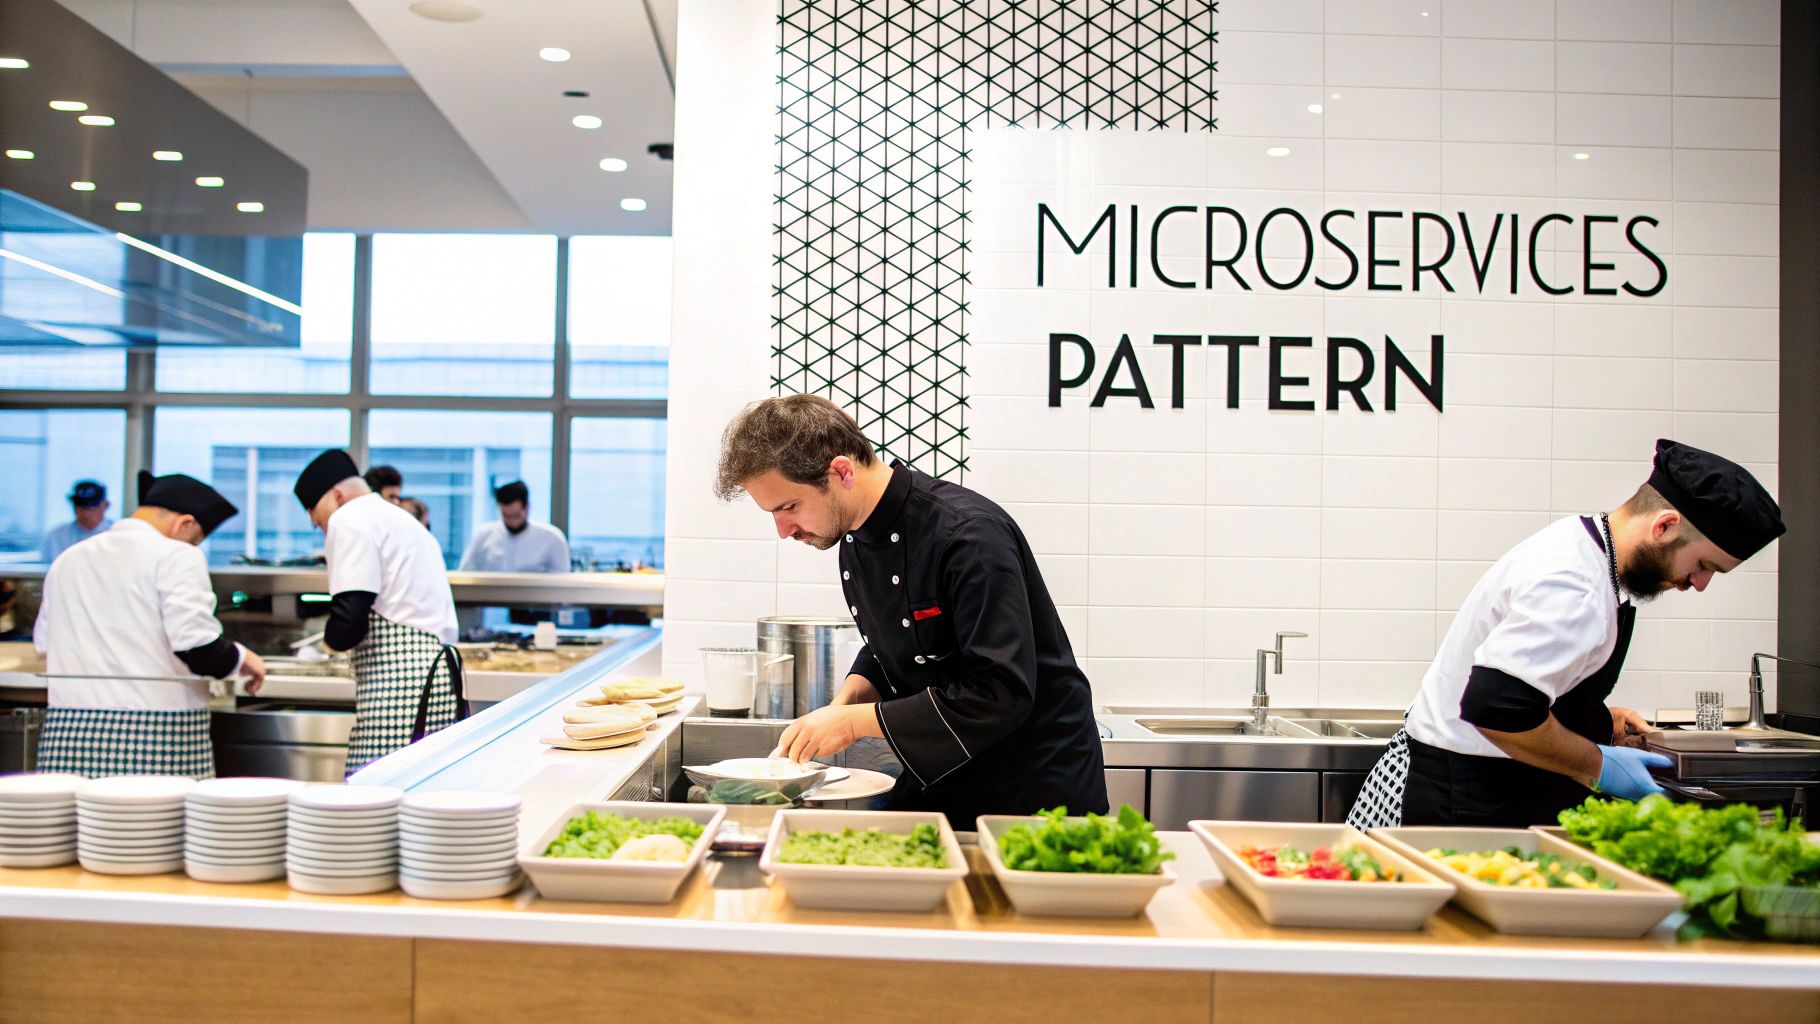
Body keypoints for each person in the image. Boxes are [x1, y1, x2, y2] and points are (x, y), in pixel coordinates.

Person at [1348, 439, 1784, 830]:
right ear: (1664, 525)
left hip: (1485, 786)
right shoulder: (1573, 584)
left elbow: (1526, 686)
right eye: (1704, 565)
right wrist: (1599, 765)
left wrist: (1594, 720)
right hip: (1477, 799)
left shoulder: (1587, 547)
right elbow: (1499, 709)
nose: (1701, 583)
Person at [715, 394, 1108, 823]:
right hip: (951, 771)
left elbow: (1000, 690)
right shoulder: (854, 537)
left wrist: (851, 725)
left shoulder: (968, 536)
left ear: (842, 471)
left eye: (788, 507)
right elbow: (899, 645)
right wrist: (845, 700)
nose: (783, 530)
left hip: (1032, 784)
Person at [33, 471, 266, 778]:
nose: (195, 547)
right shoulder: (177, 555)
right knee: (155, 827)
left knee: (78, 827)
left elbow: (43, 644)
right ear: (185, 524)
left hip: (68, 736)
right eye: (197, 539)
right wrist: (243, 659)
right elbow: (197, 649)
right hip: (153, 736)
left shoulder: (68, 559)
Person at [293, 450, 461, 776]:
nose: (323, 528)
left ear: (337, 496)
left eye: (319, 519)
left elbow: (350, 621)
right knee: (417, 794)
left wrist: (330, 642)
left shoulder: (349, 518)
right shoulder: (400, 520)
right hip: (436, 674)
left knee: (371, 798)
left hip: (401, 685)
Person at [458, 481, 570, 573]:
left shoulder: (552, 539)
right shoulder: (483, 535)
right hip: (490, 599)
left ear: (527, 508)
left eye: (516, 515)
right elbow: (467, 572)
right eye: (506, 516)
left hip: (535, 600)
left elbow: (562, 585)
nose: (512, 522)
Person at [40, 480, 113, 563]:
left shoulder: (116, 534)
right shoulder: (56, 536)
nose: (86, 513)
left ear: (106, 505)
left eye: (91, 507)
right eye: (81, 507)